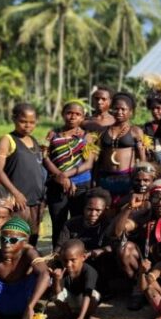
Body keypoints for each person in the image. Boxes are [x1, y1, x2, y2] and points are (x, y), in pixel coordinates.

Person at [114, 179, 161, 310]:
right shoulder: (144, 216)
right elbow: (119, 232)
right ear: (150, 200)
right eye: (156, 199)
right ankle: (139, 288)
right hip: (147, 264)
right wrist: (129, 208)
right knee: (125, 249)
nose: (160, 204)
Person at [0, 218, 50, 319]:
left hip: (23, 299)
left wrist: (30, 307)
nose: (6, 244)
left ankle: (34, 312)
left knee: (43, 275)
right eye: (3, 239)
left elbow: (45, 274)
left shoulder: (29, 253)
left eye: (13, 240)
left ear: (24, 242)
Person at [43, 100, 97, 248]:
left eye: (77, 114)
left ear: (83, 118)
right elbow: (45, 157)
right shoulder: (52, 135)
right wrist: (59, 177)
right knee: (58, 223)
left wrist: (65, 175)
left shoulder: (87, 137)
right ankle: (56, 258)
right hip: (57, 186)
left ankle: (75, 257)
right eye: (69, 113)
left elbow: (89, 163)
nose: (73, 117)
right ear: (62, 114)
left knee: (78, 222)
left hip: (80, 186)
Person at [0, 103, 45, 246]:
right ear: (14, 119)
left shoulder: (33, 140)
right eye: (23, 121)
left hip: (36, 201)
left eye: (32, 122)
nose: (27, 126)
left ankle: (28, 267)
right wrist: (15, 193)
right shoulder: (7, 140)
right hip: (18, 202)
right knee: (16, 239)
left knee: (32, 240)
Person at [56, 188, 113, 296]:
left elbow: (113, 246)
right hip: (73, 263)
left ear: (105, 210)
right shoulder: (71, 224)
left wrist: (99, 251)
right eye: (89, 209)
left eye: (98, 210)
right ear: (83, 208)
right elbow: (59, 247)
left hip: (98, 263)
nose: (93, 213)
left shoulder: (109, 225)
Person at [96, 92, 147, 207]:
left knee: (123, 210)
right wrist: (95, 180)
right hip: (106, 178)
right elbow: (98, 159)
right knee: (106, 212)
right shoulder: (103, 131)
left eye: (123, 109)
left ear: (131, 112)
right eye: (116, 109)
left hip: (127, 179)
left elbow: (142, 159)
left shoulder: (135, 131)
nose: (119, 112)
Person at [50, 239, 101, 319]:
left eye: (73, 260)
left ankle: (89, 315)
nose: (68, 264)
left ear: (84, 257)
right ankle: (68, 314)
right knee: (54, 294)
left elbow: (87, 295)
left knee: (94, 294)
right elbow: (58, 294)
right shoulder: (63, 270)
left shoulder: (90, 271)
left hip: (85, 300)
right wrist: (57, 280)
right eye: (65, 260)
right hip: (70, 303)